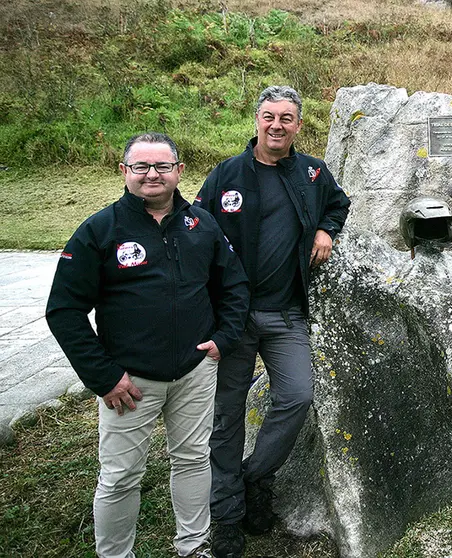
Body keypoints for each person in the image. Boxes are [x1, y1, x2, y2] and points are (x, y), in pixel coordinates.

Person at [46, 132, 250, 557]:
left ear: (178, 172)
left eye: (162, 166)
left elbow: (233, 285)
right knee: (121, 476)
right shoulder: (99, 231)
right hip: (129, 382)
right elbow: (64, 311)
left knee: (193, 460)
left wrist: (222, 340)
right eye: (141, 166)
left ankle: (194, 546)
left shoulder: (201, 224)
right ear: (124, 172)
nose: (152, 174)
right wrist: (104, 377)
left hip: (194, 371)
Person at [195, 85, 350, 558]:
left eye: (287, 118)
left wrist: (325, 229)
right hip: (233, 320)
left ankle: (253, 478)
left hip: (286, 314)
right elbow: (198, 228)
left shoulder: (312, 172)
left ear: (298, 125)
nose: (277, 125)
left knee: (298, 395)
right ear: (256, 120)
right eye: (269, 116)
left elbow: (339, 202)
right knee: (227, 416)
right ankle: (226, 516)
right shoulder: (227, 174)